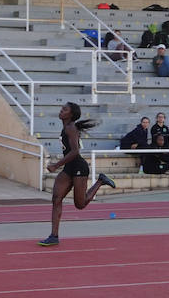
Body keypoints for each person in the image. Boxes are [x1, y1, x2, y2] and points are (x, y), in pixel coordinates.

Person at [38, 102, 115, 246]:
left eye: (65, 109)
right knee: (56, 198)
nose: (61, 110)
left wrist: (56, 165)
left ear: (71, 114)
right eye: (61, 108)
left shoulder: (71, 128)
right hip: (69, 168)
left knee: (80, 204)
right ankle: (54, 236)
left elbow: (75, 152)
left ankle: (100, 181)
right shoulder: (66, 127)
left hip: (79, 168)